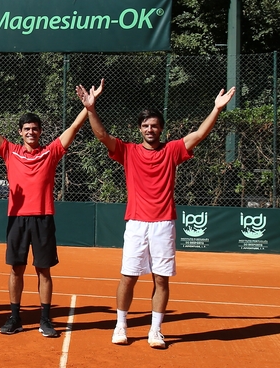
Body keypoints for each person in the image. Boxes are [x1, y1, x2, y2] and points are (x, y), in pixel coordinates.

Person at [77, 80, 235, 349]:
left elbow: (198, 135)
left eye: (154, 125)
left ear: (161, 129)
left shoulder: (172, 150)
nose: (150, 129)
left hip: (163, 223)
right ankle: (121, 325)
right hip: (136, 223)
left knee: (160, 279)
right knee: (128, 276)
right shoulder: (128, 151)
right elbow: (103, 136)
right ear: (139, 129)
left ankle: (155, 330)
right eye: (145, 126)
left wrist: (216, 110)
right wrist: (91, 109)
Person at [0, 77, 89, 338]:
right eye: (26, 129)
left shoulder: (52, 152)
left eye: (35, 128)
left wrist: (88, 106)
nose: (31, 132)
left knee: (43, 270)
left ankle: (45, 319)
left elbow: (75, 127)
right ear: (20, 132)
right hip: (17, 219)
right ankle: (15, 317)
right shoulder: (10, 152)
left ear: (40, 131)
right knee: (16, 269)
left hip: (43, 218)